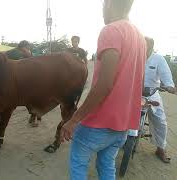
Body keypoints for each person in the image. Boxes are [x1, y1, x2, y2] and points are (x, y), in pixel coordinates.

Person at [60, 0, 146, 179]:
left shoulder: (111, 30)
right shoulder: (140, 37)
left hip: (98, 123)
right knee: (107, 166)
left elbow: (105, 83)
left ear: (108, 4)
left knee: (78, 165)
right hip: (122, 125)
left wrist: (74, 120)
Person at [144, 37, 176, 163]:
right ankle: (121, 141)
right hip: (134, 93)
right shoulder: (134, 55)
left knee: (160, 121)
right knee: (122, 113)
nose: (143, 47)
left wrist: (169, 85)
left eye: (146, 45)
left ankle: (160, 148)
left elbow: (166, 74)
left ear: (151, 46)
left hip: (152, 93)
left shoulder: (158, 59)